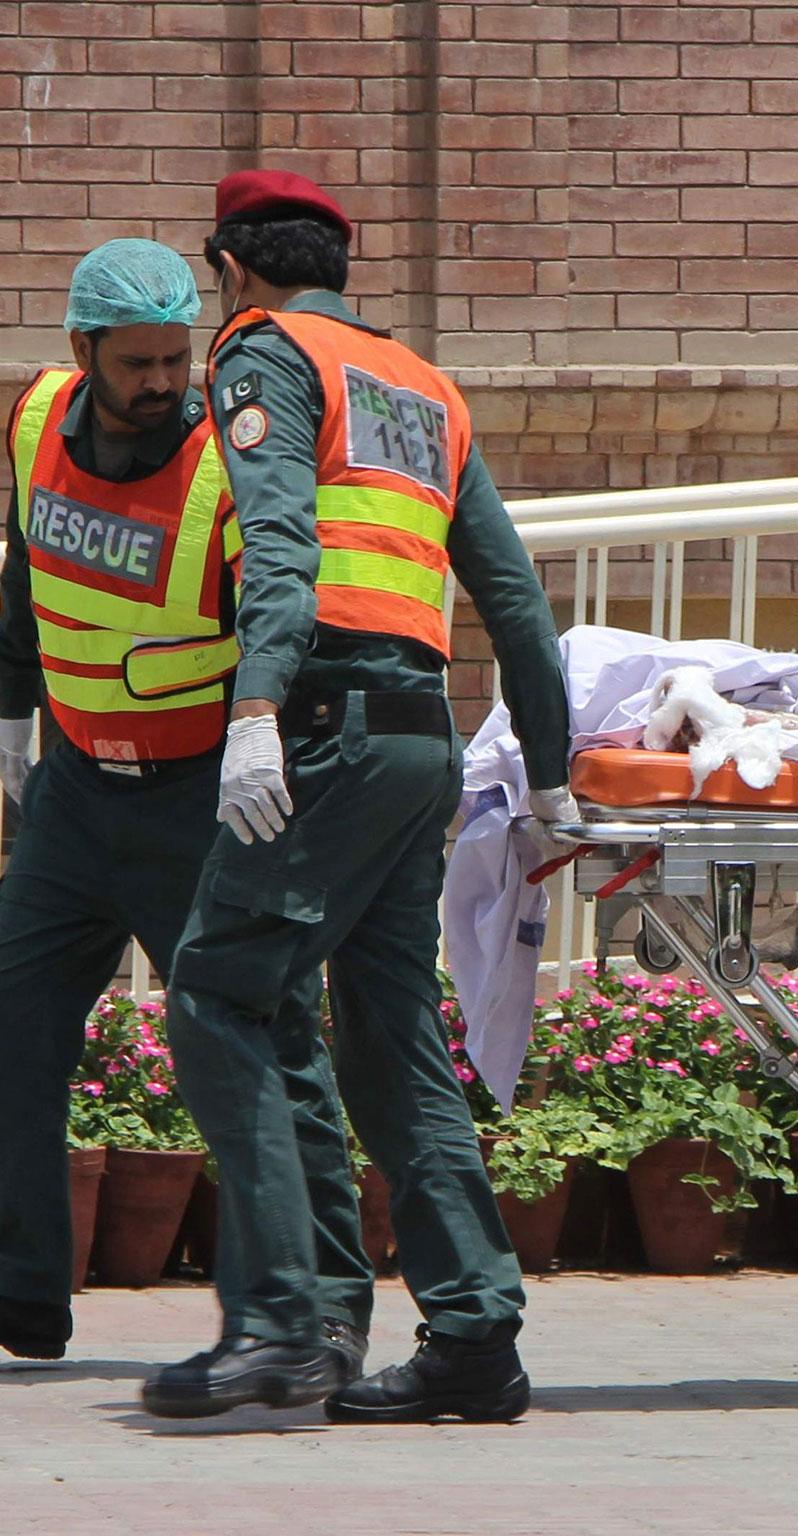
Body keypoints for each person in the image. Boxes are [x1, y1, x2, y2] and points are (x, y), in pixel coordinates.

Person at [140, 171, 575, 1422]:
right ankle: (474, 1338)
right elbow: (515, 602)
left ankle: (283, 1324)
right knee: (390, 1043)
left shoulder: (263, 353)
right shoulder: (426, 386)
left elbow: (280, 545)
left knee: (219, 990)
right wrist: (546, 770)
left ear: (232, 268)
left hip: (324, 724)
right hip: (416, 742)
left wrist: (259, 709)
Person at [0, 241, 370, 1370]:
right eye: (140, 363)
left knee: (257, 1041)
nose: (165, 382)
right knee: (13, 1023)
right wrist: (13, 716)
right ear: (82, 353)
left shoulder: (221, 459)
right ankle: (23, 1294)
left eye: (176, 358)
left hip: (194, 803)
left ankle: (325, 1308)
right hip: (70, 796)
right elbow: (25, 568)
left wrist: (267, 745)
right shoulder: (33, 421)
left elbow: (279, 611)